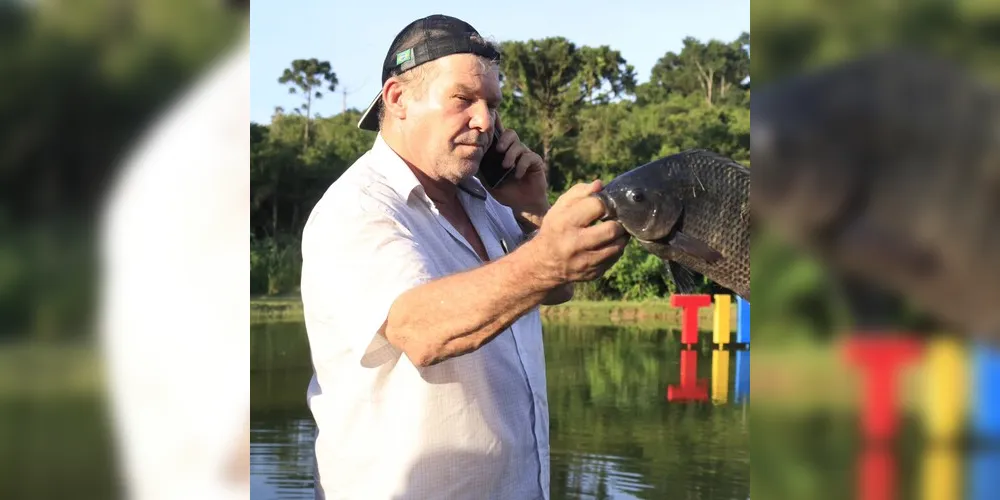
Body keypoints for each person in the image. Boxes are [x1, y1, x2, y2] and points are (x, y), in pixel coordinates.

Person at [300, 14, 629, 500]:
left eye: (492, 105)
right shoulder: (356, 208)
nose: (485, 121)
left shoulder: (488, 201)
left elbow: (556, 289)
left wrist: (533, 210)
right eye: (464, 99)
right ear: (398, 99)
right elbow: (420, 330)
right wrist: (547, 258)